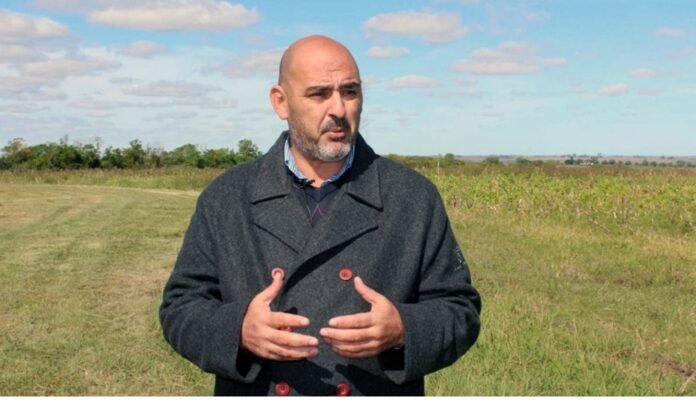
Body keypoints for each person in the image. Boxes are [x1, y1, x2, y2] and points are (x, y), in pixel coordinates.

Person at [159, 35, 481, 396]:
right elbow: (180, 308)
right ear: (280, 102)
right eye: (319, 94)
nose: (338, 109)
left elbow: (460, 310)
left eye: (350, 92)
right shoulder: (227, 197)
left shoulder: (412, 196)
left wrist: (403, 329)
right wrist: (238, 330)